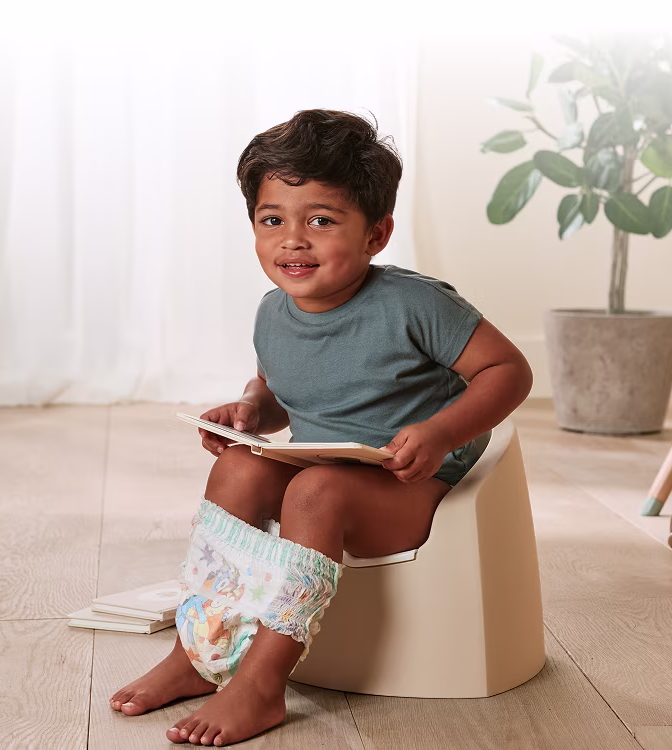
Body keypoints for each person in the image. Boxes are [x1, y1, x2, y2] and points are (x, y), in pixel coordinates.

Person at [109, 109, 533, 746]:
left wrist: (441, 432)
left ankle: (261, 682)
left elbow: (509, 370)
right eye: (272, 220)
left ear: (376, 233)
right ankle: (196, 652)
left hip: (411, 483)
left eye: (322, 221)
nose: (293, 241)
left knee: (316, 492)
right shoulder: (273, 314)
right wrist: (252, 408)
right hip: (325, 466)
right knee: (239, 465)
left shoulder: (415, 305)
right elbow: (283, 390)